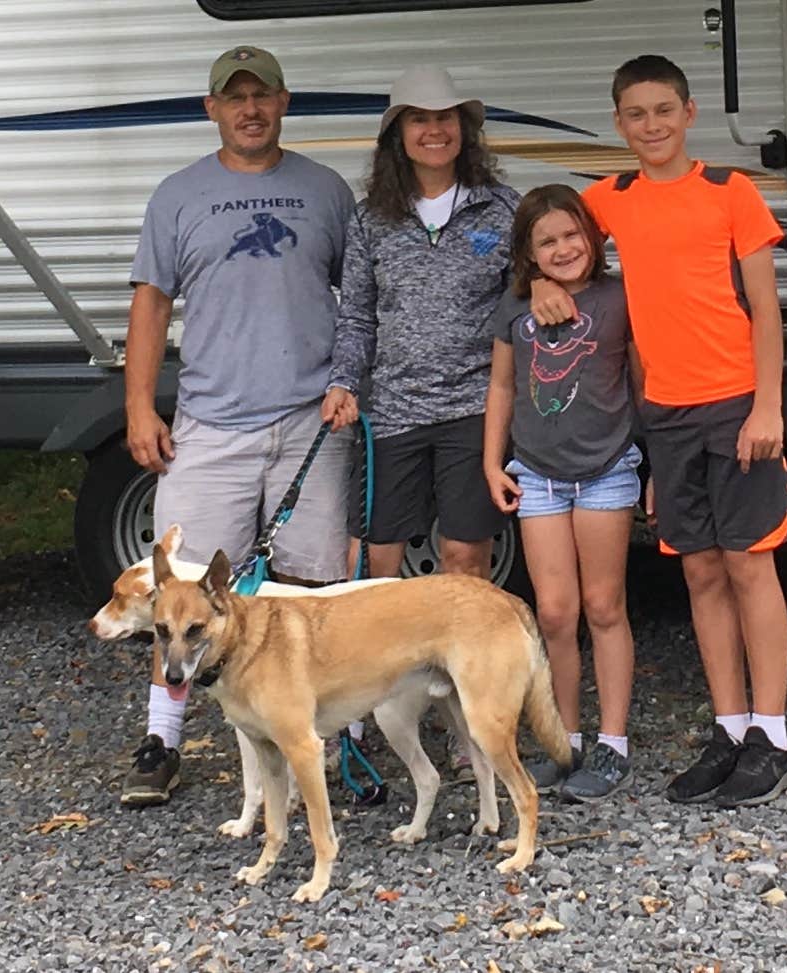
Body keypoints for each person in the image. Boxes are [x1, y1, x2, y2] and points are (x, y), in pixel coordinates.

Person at [532, 55, 787, 807]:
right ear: (619, 124)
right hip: (666, 413)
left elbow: (761, 308)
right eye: (635, 114)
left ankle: (772, 734)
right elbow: (551, 236)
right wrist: (537, 280)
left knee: (749, 563)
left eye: (662, 111)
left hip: (735, 401)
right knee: (699, 570)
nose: (650, 125)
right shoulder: (611, 199)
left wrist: (767, 406)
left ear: (688, 113)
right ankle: (728, 724)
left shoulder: (728, 192)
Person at [121, 46, 356, 805]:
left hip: (308, 419)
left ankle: (331, 737)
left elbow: (358, 300)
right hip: (210, 425)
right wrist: (138, 406)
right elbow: (151, 304)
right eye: (235, 97)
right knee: (182, 595)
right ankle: (162, 740)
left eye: (262, 95)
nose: (249, 109)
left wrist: (351, 383)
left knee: (312, 589)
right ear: (211, 109)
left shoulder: (325, 191)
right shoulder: (178, 195)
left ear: (284, 102)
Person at [321, 65, 521, 769]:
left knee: (465, 562)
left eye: (446, 118)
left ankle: (470, 722)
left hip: (473, 407)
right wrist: (344, 381)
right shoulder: (371, 217)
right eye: (417, 119)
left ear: (464, 130)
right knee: (381, 568)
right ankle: (379, 708)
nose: (433, 130)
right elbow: (357, 317)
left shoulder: (499, 209)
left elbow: (524, 298)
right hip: (394, 412)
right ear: (396, 135)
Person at [483, 185, 641, 802]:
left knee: (604, 605)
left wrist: (654, 463)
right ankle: (564, 739)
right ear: (527, 252)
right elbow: (501, 386)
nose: (564, 248)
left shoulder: (618, 299)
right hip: (538, 473)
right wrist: (493, 462)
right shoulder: (514, 307)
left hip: (605, 469)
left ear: (594, 236)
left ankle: (613, 743)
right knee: (553, 612)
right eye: (546, 241)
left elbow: (640, 378)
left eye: (573, 234)